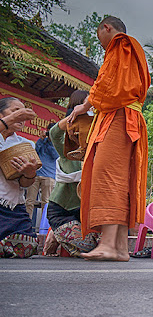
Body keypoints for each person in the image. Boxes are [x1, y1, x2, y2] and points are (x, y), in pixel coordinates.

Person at [68, 16, 150, 261]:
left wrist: (83, 107)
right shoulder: (133, 50)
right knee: (122, 179)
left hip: (118, 117)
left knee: (108, 175)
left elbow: (108, 83)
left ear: (107, 28)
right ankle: (119, 247)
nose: (102, 46)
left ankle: (107, 244)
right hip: (128, 117)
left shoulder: (121, 44)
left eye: (99, 38)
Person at [43, 90, 99, 257]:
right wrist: (76, 116)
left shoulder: (98, 148)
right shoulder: (68, 148)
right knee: (89, 246)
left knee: (109, 243)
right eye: (88, 106)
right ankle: (56, 231)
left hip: (85, 213)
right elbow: (54, 132)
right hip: (62, 210)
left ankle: (56, 234)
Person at [0, 97, 40, 258]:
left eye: (23, 113)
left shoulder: (26, 144)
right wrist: (8, 121)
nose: (21, 117)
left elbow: (24, 183)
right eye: (15, 111)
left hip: (13, 207)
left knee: (28, 245)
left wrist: (29, 174)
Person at [25, 123, 58, 218]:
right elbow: (35, 151)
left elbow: (55, 155)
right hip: (36, 174)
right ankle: (27, 223)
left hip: (49, 175)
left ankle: (43, 226)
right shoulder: (42, 141)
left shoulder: (56, 143)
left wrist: (51, 141)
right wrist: (42, 140)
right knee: (29, 201)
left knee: (46, 202)